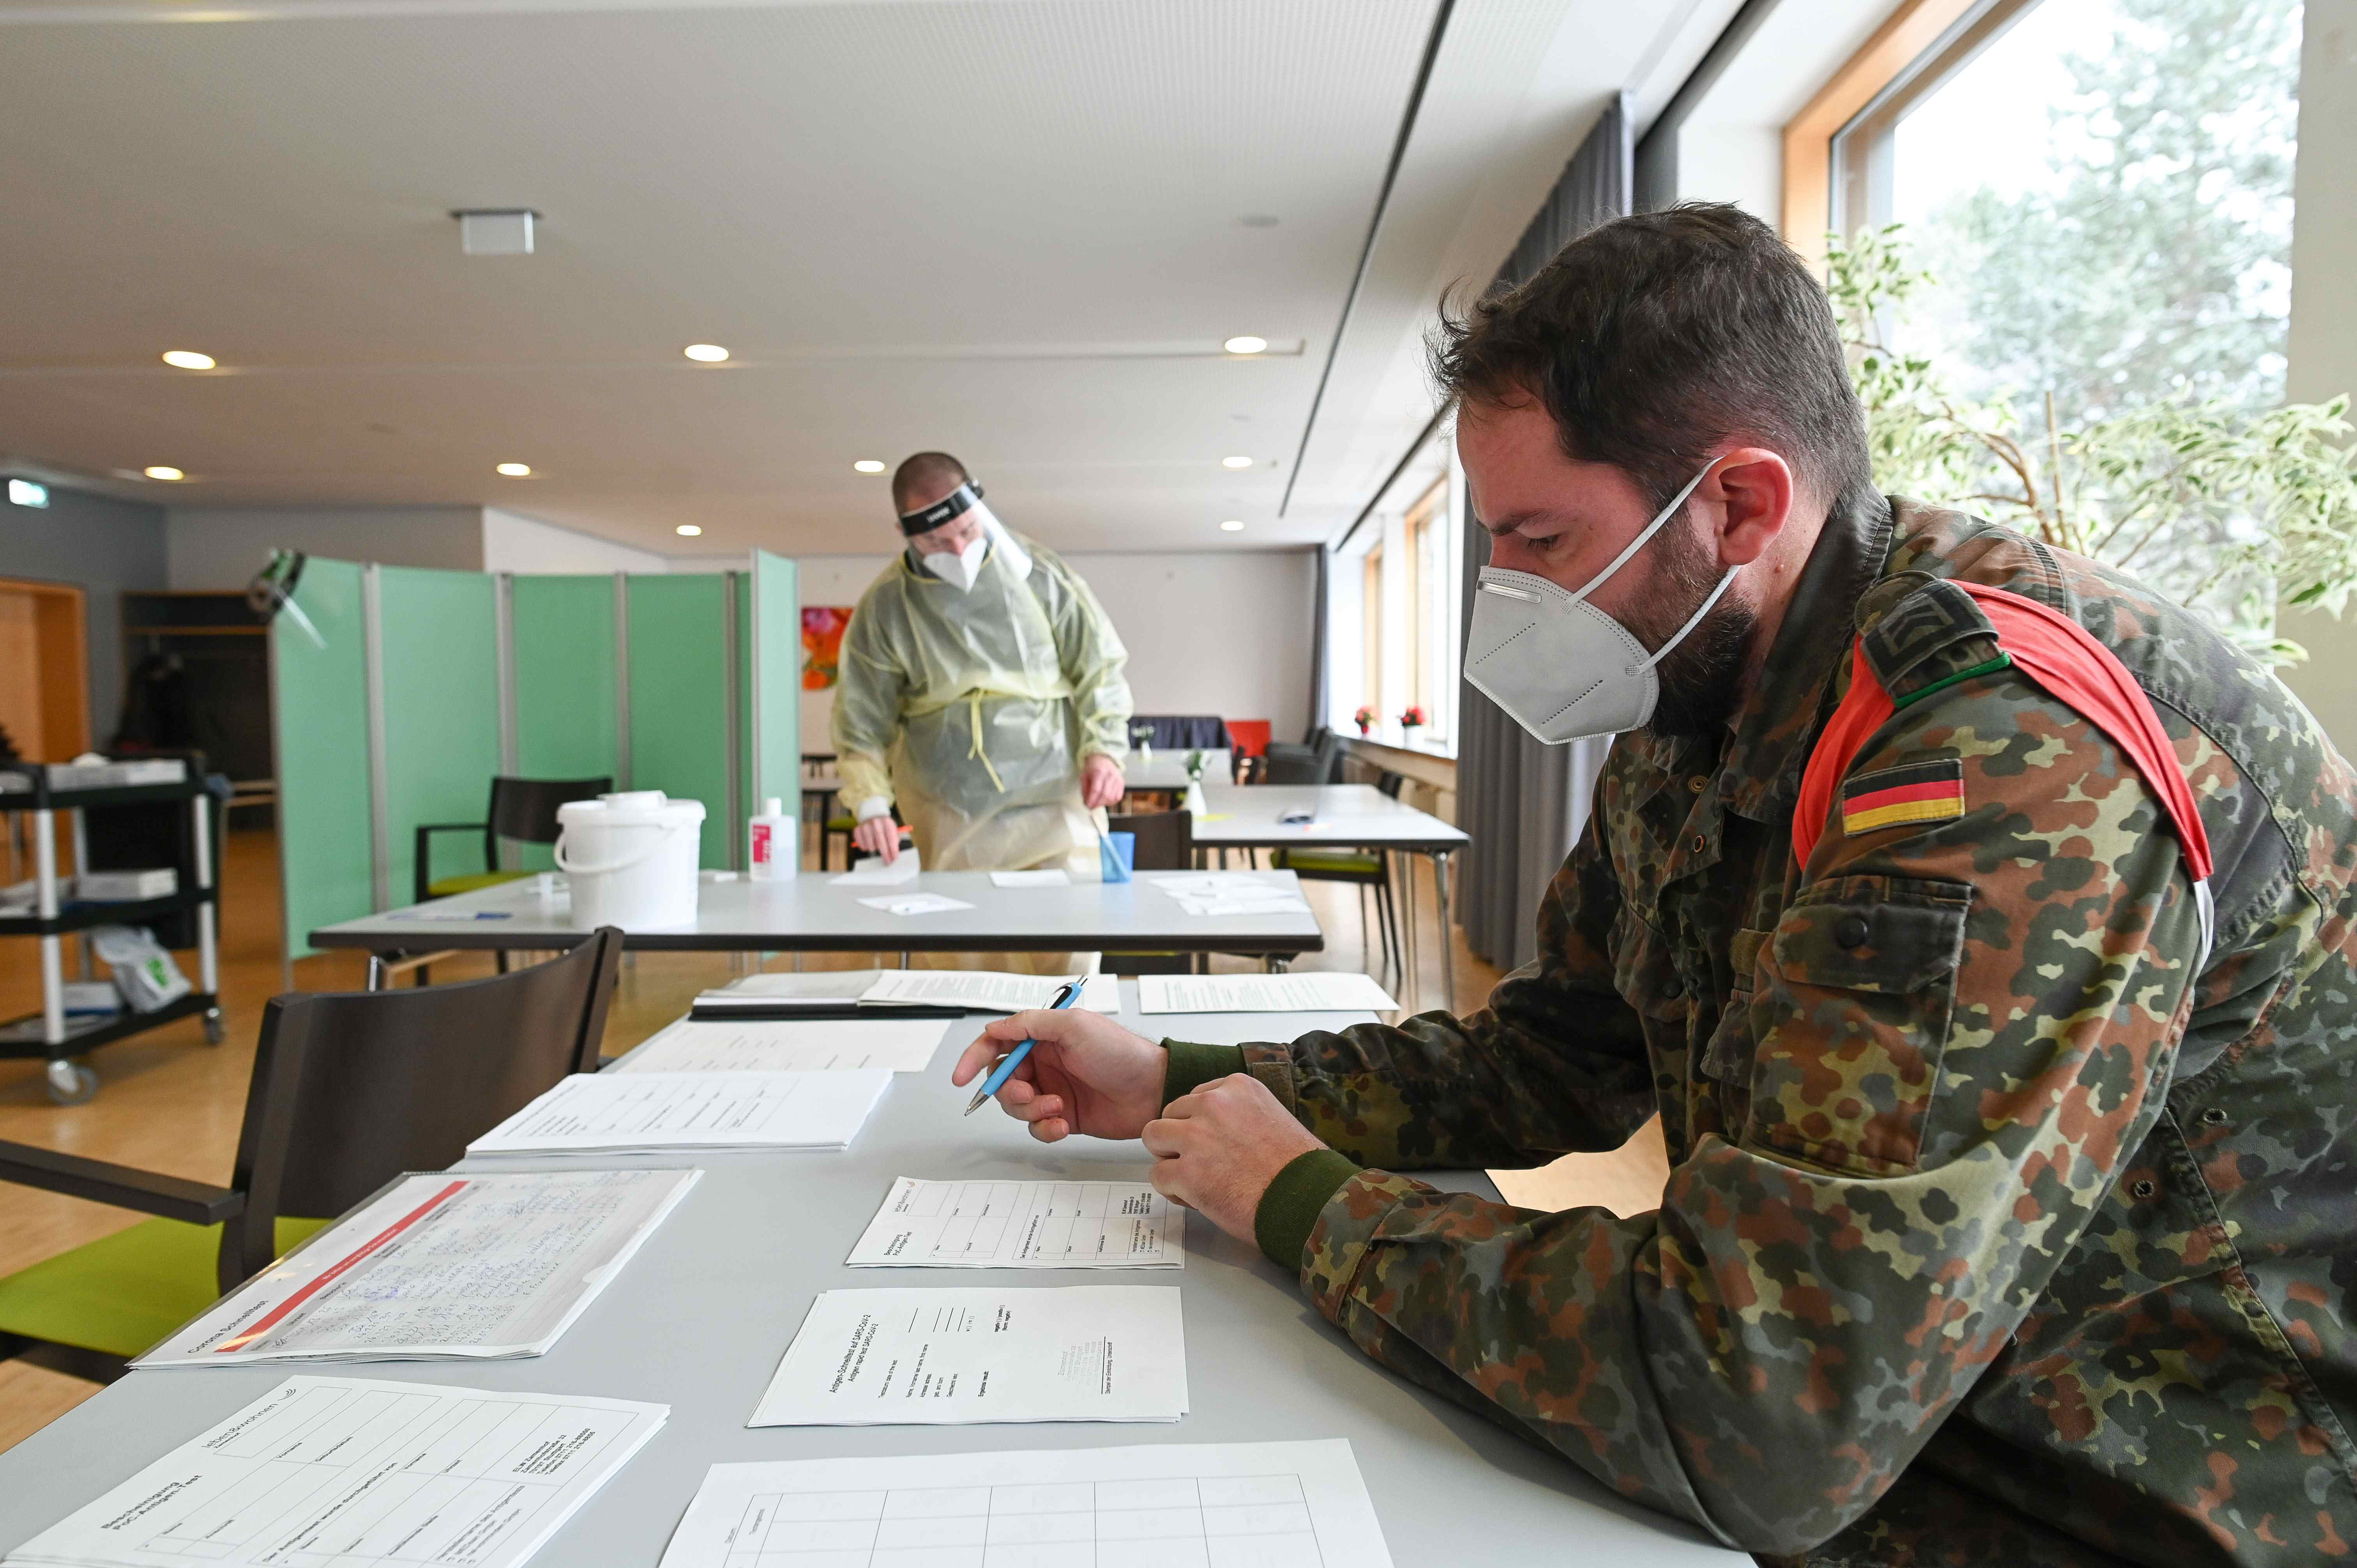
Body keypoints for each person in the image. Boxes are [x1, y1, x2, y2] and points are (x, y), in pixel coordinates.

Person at [953, 205, 2357, 1566]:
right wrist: (1179, 1070)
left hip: (2131, 1493)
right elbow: (1556, 1055)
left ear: (1737, 503)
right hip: (1920, 1438)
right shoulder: (1704, 692)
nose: (1505, 594)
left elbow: (1763, 1403)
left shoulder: (1996, 753)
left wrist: (1301, 1198)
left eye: (1543, 540)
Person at [834, 452, 1133, 968]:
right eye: (936, 542)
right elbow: (861, 720)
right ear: (908, 534)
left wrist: (1105, 750)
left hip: (1054, 803)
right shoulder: (887, 607)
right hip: (952, 813)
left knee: (1067, 958)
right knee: (967, 965)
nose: (957, 549)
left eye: (967, 531)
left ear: (980, 510)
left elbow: (1098, 667)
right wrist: (870, 805)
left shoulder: (1042, 576)